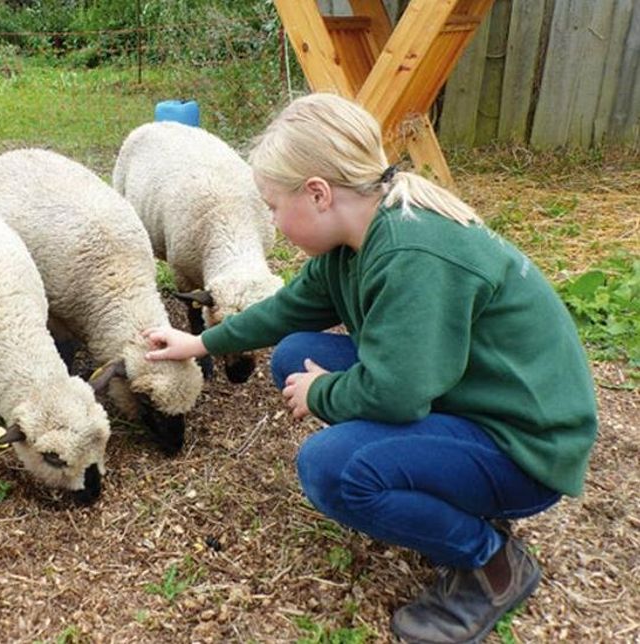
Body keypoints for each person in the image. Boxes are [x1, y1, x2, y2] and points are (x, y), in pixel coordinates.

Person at [142, 93, 597, 644]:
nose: (271, 219)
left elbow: (399, 394)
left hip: (525, 447)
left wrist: (325, 393)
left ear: (317, 193)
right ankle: (441, 489)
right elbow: (284, 313)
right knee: (292, 355)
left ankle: (492, 564)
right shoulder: (355, 240)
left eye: (272, 205)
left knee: (333, 468)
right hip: (473, 396)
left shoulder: (411, 255)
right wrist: (199, 342)